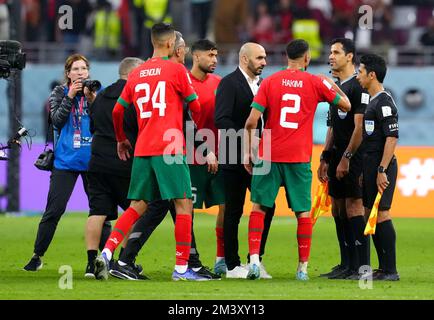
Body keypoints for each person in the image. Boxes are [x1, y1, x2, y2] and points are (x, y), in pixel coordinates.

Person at [94, 22, 203, 281]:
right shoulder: (176, 70)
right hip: (169, 147)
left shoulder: (136, 73)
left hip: (143, 147)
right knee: (184, 203)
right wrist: (193, 124)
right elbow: (195, 105)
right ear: (169, 44)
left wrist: (121, 139)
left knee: (137, 205)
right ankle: (181, 269)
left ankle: (107, 254)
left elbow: (117, 111)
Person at [244, 39, 351, 281]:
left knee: (259, 207)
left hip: (268, 154)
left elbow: (251, 121)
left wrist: (249, 151)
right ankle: (302, 268)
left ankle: (253, 262)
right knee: (302, 213)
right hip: (298, 156)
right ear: (307, 58)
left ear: (286, 57)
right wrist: (332, 85)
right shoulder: (315, 82)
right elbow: (346, 105)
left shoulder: (270, 81)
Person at [24, 54, 97, 271]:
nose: (80, 72)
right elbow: (56, 120)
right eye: (75, 69)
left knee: (99, 211)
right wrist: (71, 96)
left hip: (92, 161)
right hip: (65, 161)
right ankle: (37, 256)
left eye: (84, 68)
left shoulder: (95, 92)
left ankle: (97, 261)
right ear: (68, 73)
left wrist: (92, 100)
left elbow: (104, 121)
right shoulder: (58, 92)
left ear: (88, 72)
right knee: (54, 210)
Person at [215, 42, 274, 279]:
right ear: (244, 59)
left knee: (266, 206)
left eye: (265, 57)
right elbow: (221, 119)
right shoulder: (229, 83)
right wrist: (247, 140)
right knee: (233, 211)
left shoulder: (263, 85)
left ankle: (255, 261)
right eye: (259, 58)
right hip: (233, 156)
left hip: (259, 156)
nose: (264, 62)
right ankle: (231, 265)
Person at [84, 57, 144, 279]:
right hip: (124, 162)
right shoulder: (135, 97)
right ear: (133, 73)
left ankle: (91, 264)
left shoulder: (100, 98)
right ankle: (120, 261)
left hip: (97, 163)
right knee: (132, 211)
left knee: (97, 212)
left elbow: (93, 127)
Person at [317, 38, 370, 280]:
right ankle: (347, 264)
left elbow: (358, 128)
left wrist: (347, 158)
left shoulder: (358, 88)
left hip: (355, 156)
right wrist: (326, 157)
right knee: (338, 208)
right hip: (337, 155)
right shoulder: (336, 87)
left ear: (349, 57)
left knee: (353, 207)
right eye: (330, 52)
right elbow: (332, 127)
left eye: (336, 52)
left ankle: (361, 267)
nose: (331, 56)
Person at [356, 54, 399, 281]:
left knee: (381, 214)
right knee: (368, 214)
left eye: (361, 71)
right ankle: (382, 268)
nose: (358, 75)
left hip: (382, 166)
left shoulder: (384, 102)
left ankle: (391, 270)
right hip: (370, 165)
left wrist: (382, 170)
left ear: (372, 74)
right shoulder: (372, 101)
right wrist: (366, 170)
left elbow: (391, 138)